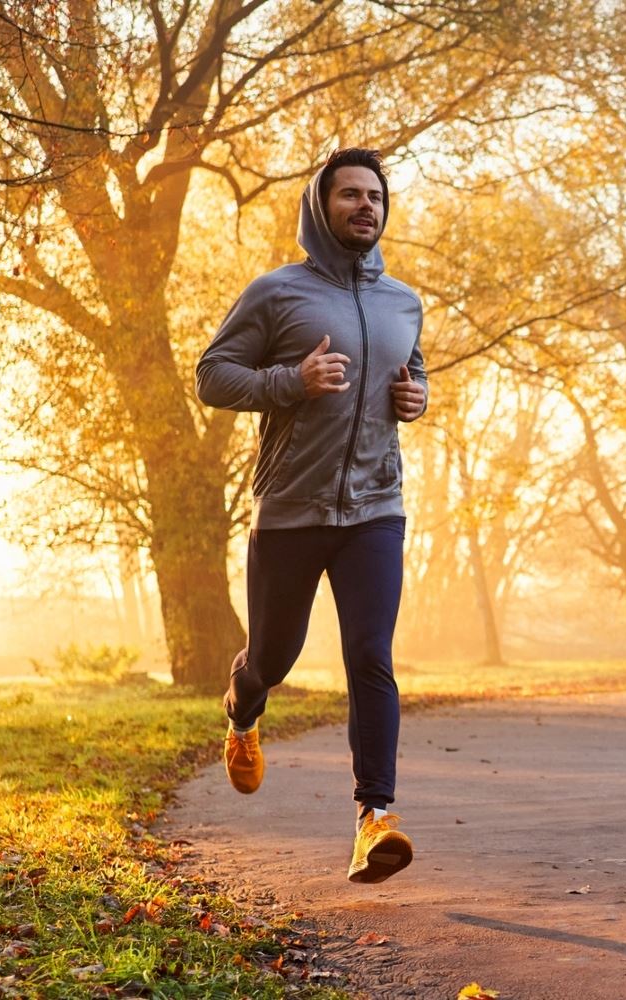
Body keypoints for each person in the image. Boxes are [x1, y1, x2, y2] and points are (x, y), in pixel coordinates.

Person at [194, 147, 427, 884]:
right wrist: (290, 381)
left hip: (374, 510)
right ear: (320, 207)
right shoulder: (277, 293)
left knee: (371, 656)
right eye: (350, 195)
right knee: (274, 656)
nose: (365, 206)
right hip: (291, 509)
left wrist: (418, 398)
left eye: (375, 197)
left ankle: (374, 818)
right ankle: (242, 711)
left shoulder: (403, 301)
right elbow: (212, 375)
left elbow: (411, 372)